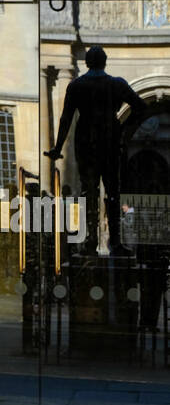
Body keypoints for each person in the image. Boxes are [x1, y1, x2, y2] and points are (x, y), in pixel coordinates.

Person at [45, 45, 147, 253]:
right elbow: (141, 107)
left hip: (85, 142)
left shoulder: (76, 86)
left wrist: (57, 147)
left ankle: (91, 239)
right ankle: (115, 241)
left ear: (87, 63)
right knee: (113, 192)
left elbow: (66, 119)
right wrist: (124, 130)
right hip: (109, 140)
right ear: (105, 62)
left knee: (88, 191)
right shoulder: (117, 84)